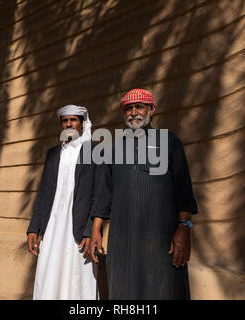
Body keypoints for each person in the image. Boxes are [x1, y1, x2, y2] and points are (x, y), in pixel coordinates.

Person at [89, 89, 198, 299]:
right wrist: (96, 230)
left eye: (139, 106)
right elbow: (104, 192)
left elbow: (184, 190)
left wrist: (185, 228)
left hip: (161, 240)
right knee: (123, 292)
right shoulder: (112, 149)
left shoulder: (169, 142)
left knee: (164, 289)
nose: (133, 112)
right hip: (123, 241)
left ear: (152, 110)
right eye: (128, 108)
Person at [27, 104, 98, 300]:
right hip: (52, 225)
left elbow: (98, 193)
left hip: (79, 227)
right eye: (65, 121)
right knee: (48, 270)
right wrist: (34, 228)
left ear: (82, 124)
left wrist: (90, 229)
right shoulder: (52, 154)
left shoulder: (95, 150)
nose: (69, 124)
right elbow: (43, 193)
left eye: (73, 120)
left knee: (78, 276)